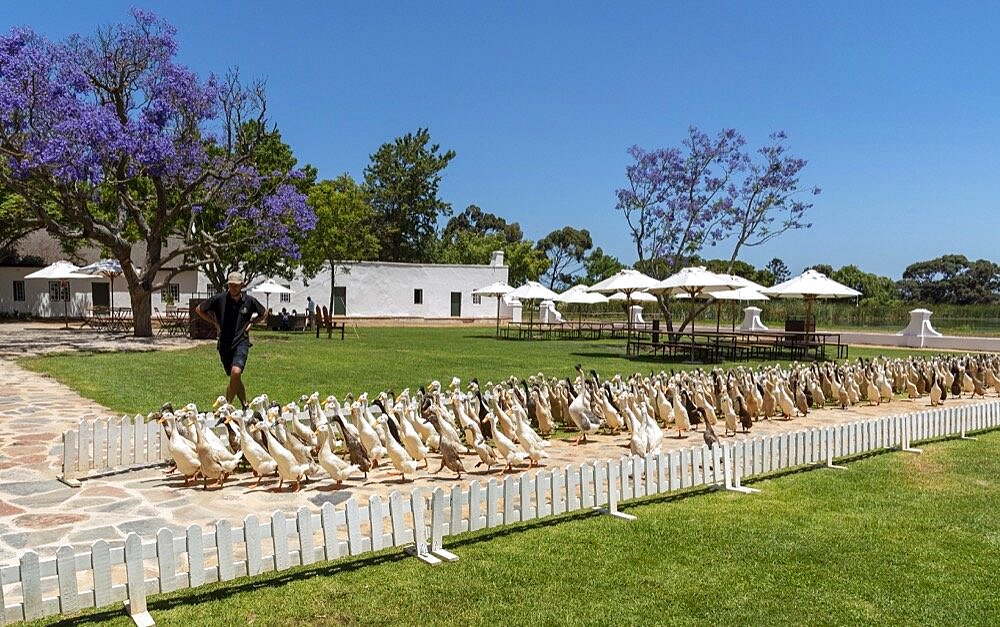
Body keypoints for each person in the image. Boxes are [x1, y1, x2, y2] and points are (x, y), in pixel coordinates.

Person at [195, 272, 266, 409]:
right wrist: (215, 323)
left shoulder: (249, 301)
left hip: (242, 341)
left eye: (236, 285)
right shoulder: (219, 299)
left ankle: (227, 406)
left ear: (242, 286)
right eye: (231, 285)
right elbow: (199, 309)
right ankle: (245, 404)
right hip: (224, 344)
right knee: (235, 377)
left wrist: (252, 322)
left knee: (236, 372)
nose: (233, 288)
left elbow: (264, 313)